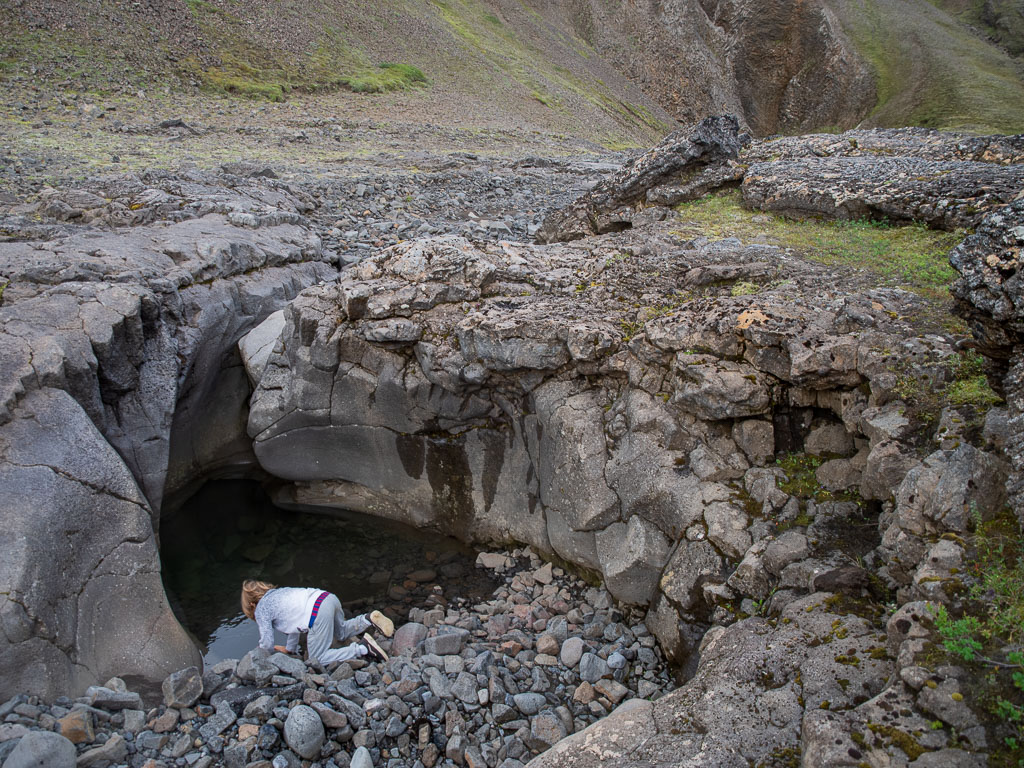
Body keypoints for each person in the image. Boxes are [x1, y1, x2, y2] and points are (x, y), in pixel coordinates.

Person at [240, 580, 393, 664]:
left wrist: (260, 656)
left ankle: (362, 649)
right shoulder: (278, 594)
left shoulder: (261, 609)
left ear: (252, 605)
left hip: (316, 612)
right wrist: (289, 649)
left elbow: (267, 642)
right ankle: (368, 619)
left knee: (317, 658)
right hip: (326, 597)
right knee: (341, 632)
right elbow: (292, 629)